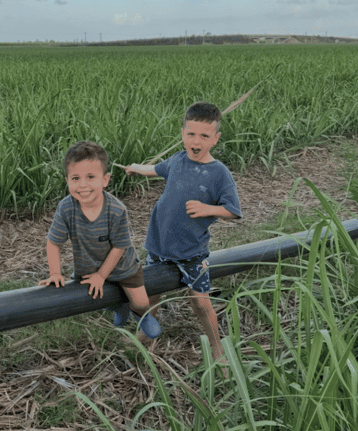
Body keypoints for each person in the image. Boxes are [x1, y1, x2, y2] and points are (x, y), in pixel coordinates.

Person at [120, 102, 242, 364]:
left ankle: (217, 348)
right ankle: (145, 337)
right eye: (191, 134)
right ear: (182, 132)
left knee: (200, 302)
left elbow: (233, 210)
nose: (195, 142)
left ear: (215, 138)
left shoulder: (218, 173)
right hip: (160, 245)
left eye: (204, 136)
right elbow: (154, 170)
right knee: (151, 296)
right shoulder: (177, 159)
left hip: (191, 251)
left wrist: (207, 208)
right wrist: (135, 168)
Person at [39, 140, 161, 339]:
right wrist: (55, 273)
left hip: (122, 266)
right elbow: (54, 242)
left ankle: (141, 316)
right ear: (67, 180)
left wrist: (102, 276)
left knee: (140, 302)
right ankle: (118, 308)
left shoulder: (116, 210)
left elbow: (119, 247)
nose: (83, 185)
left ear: (105, 180)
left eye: (90, 177)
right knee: (95, 299)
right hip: (88, 266)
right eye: (75, 178)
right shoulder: (66, 208)